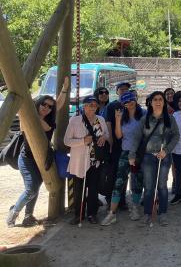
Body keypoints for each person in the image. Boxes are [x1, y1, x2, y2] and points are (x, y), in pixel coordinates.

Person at [6, 78, 69, 228]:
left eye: (49, 107)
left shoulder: (48, 120)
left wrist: (65, 89)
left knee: (36, 186)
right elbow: (24, 122)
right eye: (44, 104)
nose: (46, 108)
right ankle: (14, 212)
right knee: (31, 188)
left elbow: (58, 104)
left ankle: (28, 215)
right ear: (38, 103)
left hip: (41, 159)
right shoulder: (27, 117)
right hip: (26, 158)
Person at [129, 91, 179, 226]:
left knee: (162, 186)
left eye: (160, 99)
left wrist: (167, 151)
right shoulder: (144, 119)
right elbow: (136, 138)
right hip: (148, 157)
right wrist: (132, 155)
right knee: (149, 186)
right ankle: (147, 213)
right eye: (155, 99)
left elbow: (176, 136)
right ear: (150, 102)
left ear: (164, 102)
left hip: (164, 156)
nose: (158, 102)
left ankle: (163, 214)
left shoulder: (170, 119)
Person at [64, 95, 111, 224]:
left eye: (95, 105)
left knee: (94, 189)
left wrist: (104, 138)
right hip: (79, 162)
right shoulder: (75, 120)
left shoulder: (100, 119)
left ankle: (92, 214)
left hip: (95, 161)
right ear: (84, 106)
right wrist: (82, 141)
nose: (92, 108)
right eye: (90, 105)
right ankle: (78, 215)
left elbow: (106, 134)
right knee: (79, 190)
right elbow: (67, 141)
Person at [100, 92, 145, 225]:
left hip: (138, 153)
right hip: (125, 152)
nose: (129, 103)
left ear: (135, 100)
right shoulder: (122, 116)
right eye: (126, 102)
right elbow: (118, 136)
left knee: (137, 181)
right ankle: (112, 213)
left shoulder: (144, 114)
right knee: (119, 182)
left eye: (131, 100)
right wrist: (118, 120)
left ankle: (135, 208)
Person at [104, 81, 133, 209]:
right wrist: (110, 141)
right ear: (117, 92)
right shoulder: (112, 106)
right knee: (113, 173)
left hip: (127, 145)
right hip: (115, 145)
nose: (124, 91)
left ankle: (122, 200)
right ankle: (111, 199)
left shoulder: (131, 105)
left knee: (124, 173)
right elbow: (108, 124)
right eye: (121, 89)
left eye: (126, 89)